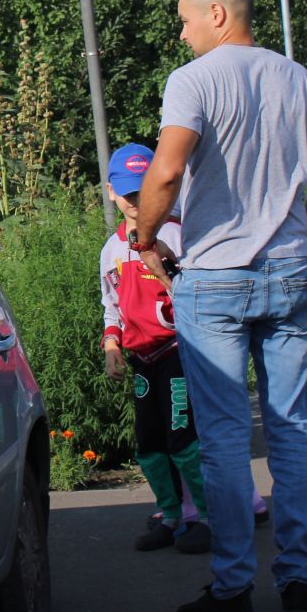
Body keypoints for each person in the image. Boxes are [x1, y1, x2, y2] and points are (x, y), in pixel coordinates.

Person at [132, 0, 307, 612]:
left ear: (218, 15)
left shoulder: (192, 83)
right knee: (291, 428)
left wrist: (144, 237)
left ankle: (231, 591)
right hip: (286, 273)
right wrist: (306, 251)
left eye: (186, 19)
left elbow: (165, 170)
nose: (182, 30)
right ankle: (299, 584)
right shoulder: (299, 80)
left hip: (215, 280)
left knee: (222, 439)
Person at [99, 143, 211, 555]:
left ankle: (206, 514)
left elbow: (197, 293)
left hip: (178, 352)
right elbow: (111, 303)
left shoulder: (179, 235)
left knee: (183, 438)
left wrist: (164, 266)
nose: (134, 202)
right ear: (111, 191)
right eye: (127, 193)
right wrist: (112, 343)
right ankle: (169, 513)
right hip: (141, 358)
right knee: (148, 442)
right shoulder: (110, 251)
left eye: (142, 191)